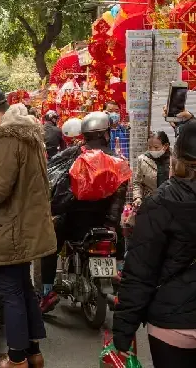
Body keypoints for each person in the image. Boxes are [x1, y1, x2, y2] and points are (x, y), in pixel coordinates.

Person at [113, 118, 196, 368]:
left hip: (173, 326)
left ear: (178, 155)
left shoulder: (161, 203)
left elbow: (140, 272)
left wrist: (123, 332)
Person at [0, 86, 56, 368]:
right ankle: (33, 353)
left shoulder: (8, 139)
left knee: (11, 292)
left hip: (8, 229)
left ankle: (17, 359)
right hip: (23, 226)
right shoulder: (27, 134)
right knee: (22, 288)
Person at [40, 112, 128, 313]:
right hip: (106, 223)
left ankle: (47, 293)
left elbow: (53, 179)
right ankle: (117, 275)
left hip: (74, 222)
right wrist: (111, 222)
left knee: (49, 248)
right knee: (120, 243)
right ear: (106, 134)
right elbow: (119, 197)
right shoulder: (118, 160)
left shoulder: (72, 155)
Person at [127, 131, 171, 228]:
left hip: (171, 206)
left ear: (165, 146)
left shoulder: (174, 160)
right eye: (149, 147)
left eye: (156, 147)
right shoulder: (142, 160)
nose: (152, 150)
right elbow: (137, 182)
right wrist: (137, 197)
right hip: (150, 205)